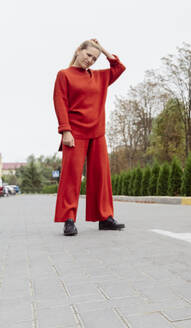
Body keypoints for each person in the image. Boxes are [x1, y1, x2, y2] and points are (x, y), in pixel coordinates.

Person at [53, 39, 126, 236]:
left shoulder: (100, 77)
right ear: (78, 51)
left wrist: (102, 48)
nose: (91, 60)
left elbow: (119, 67)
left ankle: (105, 218)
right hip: (75, 134)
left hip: (97, 133)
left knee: (101, 176)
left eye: (95, 58)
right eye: (88, 55)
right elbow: (60, 102)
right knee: (71, 178)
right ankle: (68, 220)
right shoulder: (64, 75)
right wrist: (65, 130)